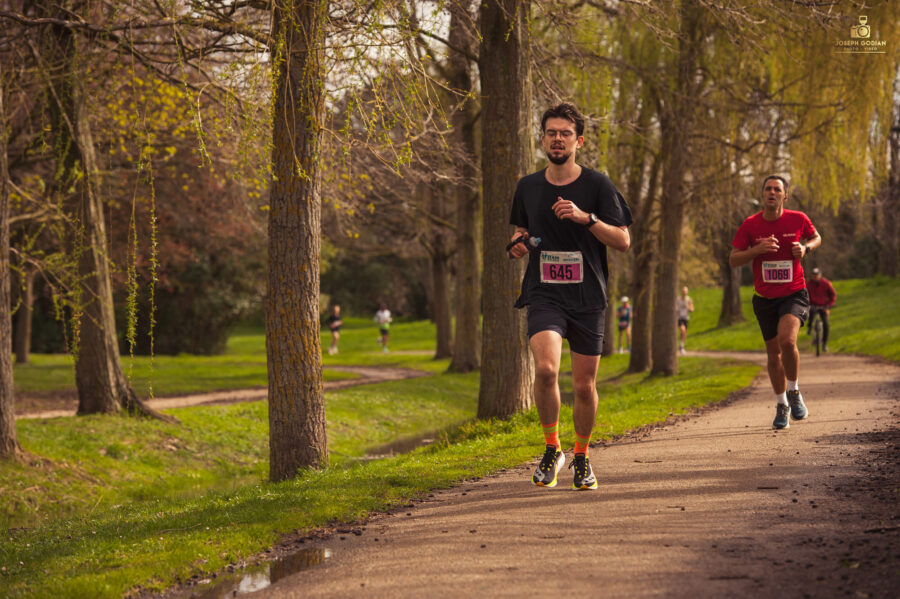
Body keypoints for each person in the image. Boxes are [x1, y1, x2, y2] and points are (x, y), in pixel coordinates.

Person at [508, 102, 632, 490]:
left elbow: (623, 240)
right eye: (551, 133)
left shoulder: (598, 185)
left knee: (583, 386)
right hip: (544, 293)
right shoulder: (528, 186)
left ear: (578, 141)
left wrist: (586, 218)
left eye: (565, 133)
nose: (557, 139)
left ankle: (582, 455)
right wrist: (518, 245)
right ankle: (552, 448)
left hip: (587, 297)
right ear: (542, 138)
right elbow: (519, 232)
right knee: (545, 370)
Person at [729, 175, 821, 430]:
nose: (772, 192)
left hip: (793, 293)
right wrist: (756, 251)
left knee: (787, 341)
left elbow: (816, 237)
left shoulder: (798, 219)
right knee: (773, 355)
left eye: (777, 189)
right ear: (762, 195)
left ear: (784, 196)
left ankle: (794, 391)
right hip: (765, 298)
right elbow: (733, 259)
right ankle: (782, 404)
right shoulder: (750, 224)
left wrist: (805, 249)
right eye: (768, 189)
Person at [806, 267, 836, 352]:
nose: (815, 276)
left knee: (826, 324)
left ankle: (824, 344)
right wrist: (807, 305)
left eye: (817, 275)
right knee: (811, 312)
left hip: (823, 306)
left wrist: (828, 306)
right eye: (813, 275)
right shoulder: (808, 284)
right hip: (812, 305)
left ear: (820, 275)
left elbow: (832, 296)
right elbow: (804, 296)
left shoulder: (826, 283)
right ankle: (809, 327)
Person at [676, 286, 694, 355]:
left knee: (684, 333)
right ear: (681, 292)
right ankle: (681, 347)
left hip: (685, 318)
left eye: (685, 291)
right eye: (683, 291)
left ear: (687, 292)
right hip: (679, 318)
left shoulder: (689, 299)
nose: (684, 293)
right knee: (682, 330)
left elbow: (692, 309)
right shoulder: (678, 299)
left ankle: (681, 346)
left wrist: (688, 307)